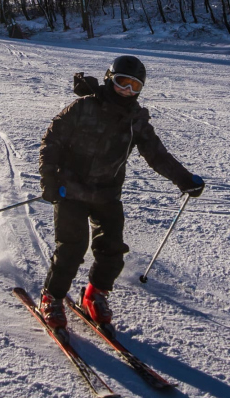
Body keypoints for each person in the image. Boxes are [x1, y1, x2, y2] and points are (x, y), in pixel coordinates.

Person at [38, 55, 204, 332]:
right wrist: (49, 179)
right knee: (72, 248)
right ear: (108, 78)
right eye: (121, 82)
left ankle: (94, 295)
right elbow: (51, 141)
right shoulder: (83, 107)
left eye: (134, 86)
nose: (127, 90)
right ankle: (51, 297)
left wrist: (184, 179)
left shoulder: (135, 120)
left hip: (107, 193)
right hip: (71, 191)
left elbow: (156, 154)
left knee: (112, 249)